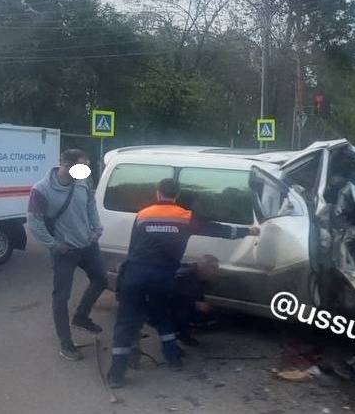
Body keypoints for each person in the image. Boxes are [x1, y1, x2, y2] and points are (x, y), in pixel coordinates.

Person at [106, 178, 248, 388]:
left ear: (158, 193)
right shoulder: (186, 217)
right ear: (177, 194)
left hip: (136, 274)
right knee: (162, 316)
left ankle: (116, 376)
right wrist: (248, 232)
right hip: (162, 277)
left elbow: (133, 248)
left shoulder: (143, 215)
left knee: (126, 323)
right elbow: (217, 230)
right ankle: (173, 360)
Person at [27, 148, 107, 361]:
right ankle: (66, 344)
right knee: (61, 297)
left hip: (87, 246)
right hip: (65, 251)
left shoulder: (82, 181)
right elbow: (34, 222)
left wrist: (96, 228)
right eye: (82, 166)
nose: (86, 170)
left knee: (101, 279)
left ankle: (81, 317)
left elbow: (91, 206)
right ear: (65, 165)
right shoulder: (41, 190)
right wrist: (53, 245)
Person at [170, 254, 221, 346]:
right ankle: (177, 336)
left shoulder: (200, 278)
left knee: (212, 316)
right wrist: (195, 305)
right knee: (181, 313)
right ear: (203, 268)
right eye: (214, 268)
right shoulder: (183, 277)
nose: (216, 271)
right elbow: (171, 299)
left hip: (183, 304)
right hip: (165, 307)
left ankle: (189, 328)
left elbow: (197, 296)